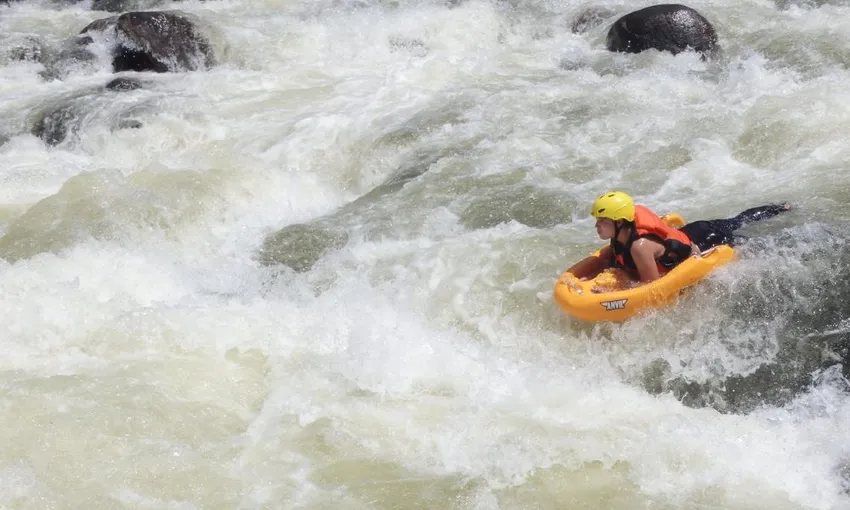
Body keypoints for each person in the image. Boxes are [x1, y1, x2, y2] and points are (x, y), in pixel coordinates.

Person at [567, 191, 791, 286]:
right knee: (736, 221)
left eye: (602, 221)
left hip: (707, 239)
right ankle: (780, 208)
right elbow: (612, 261)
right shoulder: (620, 237)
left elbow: (652, 289)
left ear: (618, 222)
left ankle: (781, 209)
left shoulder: (639, 247)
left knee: (744, 229)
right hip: (692, 231)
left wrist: (615, 283)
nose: (597, 225)